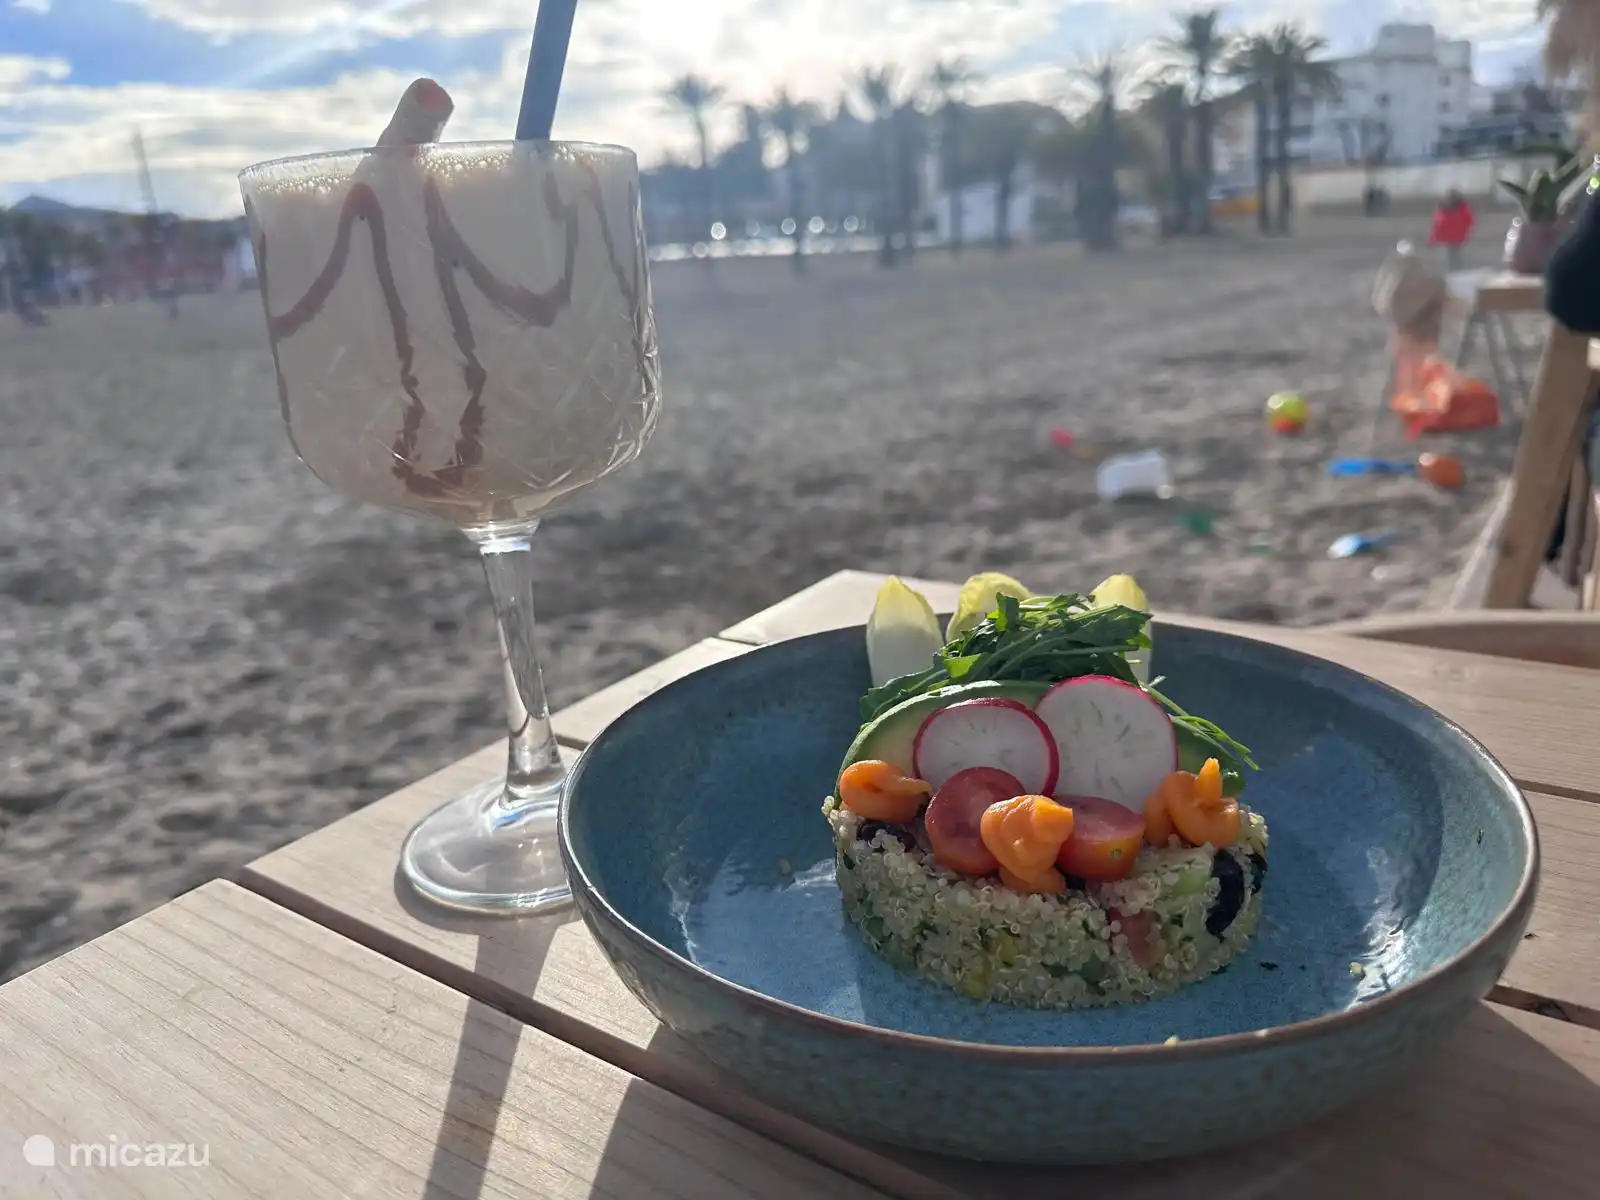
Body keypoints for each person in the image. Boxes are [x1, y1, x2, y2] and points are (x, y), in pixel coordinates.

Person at [1427, 189, 1475, 272]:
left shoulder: (1443, 209)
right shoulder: (1461, 209)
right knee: (1452, 262)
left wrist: (1432, 239)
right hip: (1451, 240)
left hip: (1449, 240)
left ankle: (1451, 276)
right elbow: (1469, 223)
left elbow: (1437, 225)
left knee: (1448, 262)